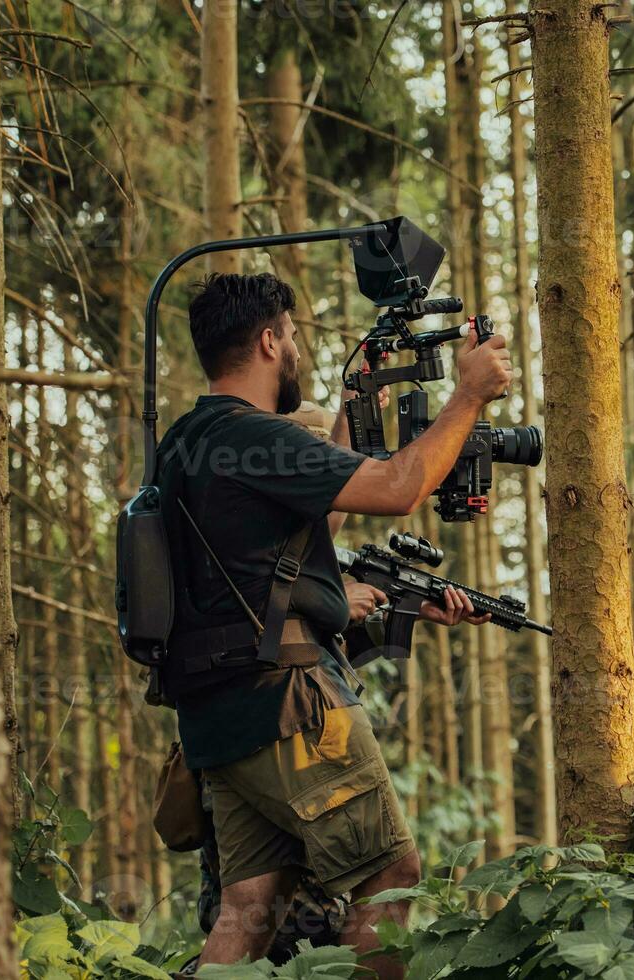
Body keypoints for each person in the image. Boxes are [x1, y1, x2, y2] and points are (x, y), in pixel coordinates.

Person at [158, 272, 510, 977]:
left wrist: (357, 408)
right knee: (393, 872)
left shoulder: (188, 443)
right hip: (291, 705)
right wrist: (468, 394)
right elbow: (400, 488)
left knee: (249, 907)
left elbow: (306, 533)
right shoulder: (256, 434)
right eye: (289, 336)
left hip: (216, 714)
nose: (294, 352)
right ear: (266, 339)